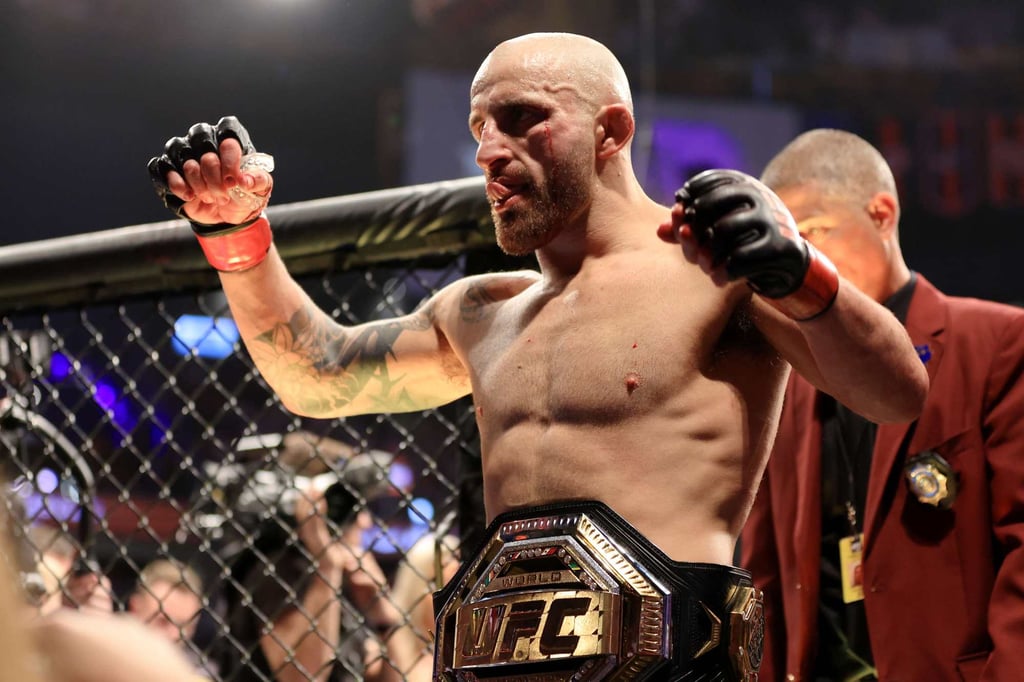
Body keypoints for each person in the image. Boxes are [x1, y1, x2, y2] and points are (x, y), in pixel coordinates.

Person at [148, 33, 928, 680]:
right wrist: (234, 234)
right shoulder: (482, 312)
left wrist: (800, 272)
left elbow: (898, 392)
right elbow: (315, 377)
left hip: (670, 663)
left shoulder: (711, 272)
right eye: (481, 124)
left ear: (611, 131)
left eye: (523, 119)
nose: (489, 148)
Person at [740, 128, 1024, 681]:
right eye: (786, 245)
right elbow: (764, 574)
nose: (800, 263)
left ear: (882, 214)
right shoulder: (786, 376)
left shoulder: (997, 343)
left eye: (814, 232)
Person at [127, 559, 214, 677]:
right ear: (135, 609)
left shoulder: (201, 673)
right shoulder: (107, 659)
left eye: (184, 626)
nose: (175, 635)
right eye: (162, 621)